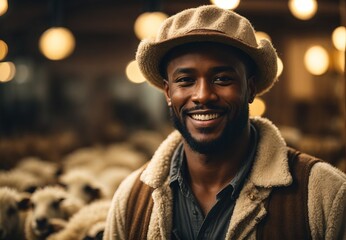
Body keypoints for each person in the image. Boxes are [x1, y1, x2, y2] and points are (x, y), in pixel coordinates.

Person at [103, 5, 346, 240]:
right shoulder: (131, 199)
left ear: (250, 88)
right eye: (185, 80)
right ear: (168, 93)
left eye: (222, 78)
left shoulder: (324, 193)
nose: (202, 95)